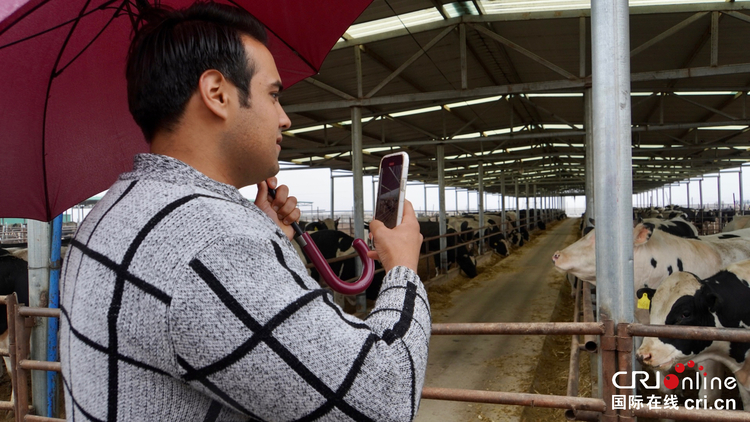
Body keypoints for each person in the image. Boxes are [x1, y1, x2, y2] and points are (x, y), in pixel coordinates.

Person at [59, 2, 430, 421]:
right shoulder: (216, 244)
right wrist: (403, 270)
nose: (286, 119)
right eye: (273, 95)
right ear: (217, 93)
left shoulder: (104, 218)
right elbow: (385, 399)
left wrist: (271, 242)